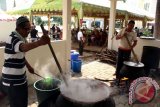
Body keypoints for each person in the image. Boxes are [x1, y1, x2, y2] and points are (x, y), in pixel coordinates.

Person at [0, 16, 50, 107]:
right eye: (26, 29)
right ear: (18, 28)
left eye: (29, 29)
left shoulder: (21, 38)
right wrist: (40, 42)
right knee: (17, 104)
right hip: (12, 81)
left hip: (20, 79)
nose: (28, 31)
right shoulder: (13, 38)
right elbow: (23, 47)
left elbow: (20, 55)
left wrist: (28, 66)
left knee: (23, 102)